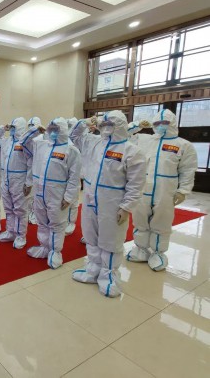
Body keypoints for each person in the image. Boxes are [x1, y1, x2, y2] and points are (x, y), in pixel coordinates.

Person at [69, 111, 146, 297]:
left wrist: (126, 207)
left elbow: (136, 183)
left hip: (112, 203)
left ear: (119, 126)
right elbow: (74, 136)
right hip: (90, 200)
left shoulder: (132, 151)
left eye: (110, 125)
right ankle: (93, 269)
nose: (105, 129)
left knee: (110, 241)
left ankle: (109, 277)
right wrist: (85, 122)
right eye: (103, 125)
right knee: (91, 236)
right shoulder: (94, 143)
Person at [127, 109, 198, 271]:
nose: (160, 126)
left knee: (161, 222)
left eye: (164, 122)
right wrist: (137, 125)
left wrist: (183, 191)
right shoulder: (144, 140)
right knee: (140, 219)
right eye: (157, 123)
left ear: (172, 123)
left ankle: (158, 254)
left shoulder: (183, 145)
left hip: (165, 191)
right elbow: (122, 135)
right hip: (143, 188)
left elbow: (187, 170)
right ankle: (140, 249)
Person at [26, 117, 81, 269]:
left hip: (57, 194)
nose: (53, 132)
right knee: (42, 222)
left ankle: (55, 252)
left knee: (57, 224)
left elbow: (74, 177)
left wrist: (68, 197)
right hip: (40, 192)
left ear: (62, 130)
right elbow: (24, 144)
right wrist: (35, 130)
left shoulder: (71, 150)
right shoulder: (42, 145)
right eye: (51, 129)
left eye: (56, 130)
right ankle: (44, 247)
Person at [0, 117, 39, 249]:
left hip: (19, 179)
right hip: (6, 178)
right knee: (8, 207)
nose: (12, 130)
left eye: (14, 128)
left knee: (20, 209)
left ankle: (20, 235)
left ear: (21, 128)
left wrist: (28, 182)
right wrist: (3, 129)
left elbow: (31, 163)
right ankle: (10, 231)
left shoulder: (26, 143)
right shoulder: (6, 141)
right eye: (11, 128)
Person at [26, 116, 43, 225]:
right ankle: (29, 213)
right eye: (29, 125)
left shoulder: (42, 139)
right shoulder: (27, 138)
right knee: (28, 195)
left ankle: (35, 214)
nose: (31, 127)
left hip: (38, 169)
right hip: (28, 168)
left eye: (33, 125)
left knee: (36, 194)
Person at [65, 117, 80, 235]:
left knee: (73, 199)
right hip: (64, 172)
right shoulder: (65, 140)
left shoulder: (81, 139)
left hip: (77, 171)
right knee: (65, 197)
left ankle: (71, 222)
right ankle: (65, 220)